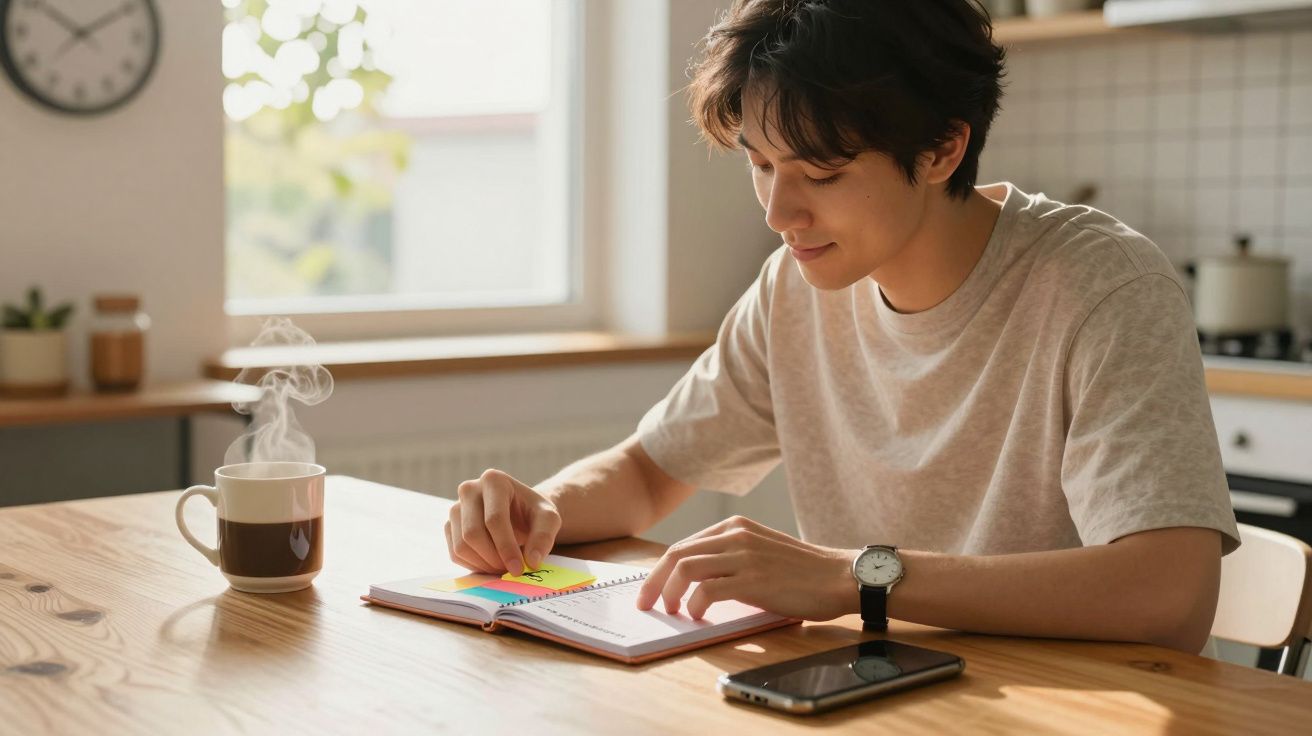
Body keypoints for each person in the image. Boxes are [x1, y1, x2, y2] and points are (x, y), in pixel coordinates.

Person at [444, 0, 1239, 654]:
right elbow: (653, 472)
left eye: (822, 174)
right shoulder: (795, 288)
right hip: (869, 690)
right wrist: (537, 510)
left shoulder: (1102, 286)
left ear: (941, 149)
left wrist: (855, 577)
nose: (778, 213)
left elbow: (1169, 593)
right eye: (761, 164)